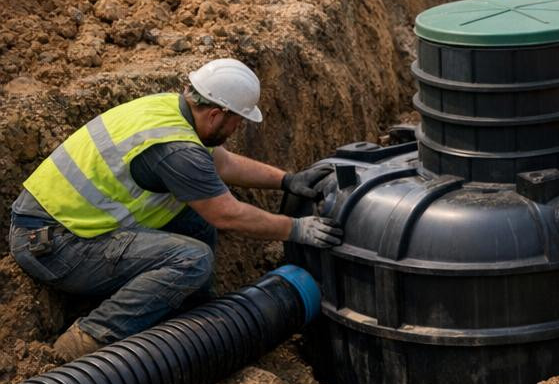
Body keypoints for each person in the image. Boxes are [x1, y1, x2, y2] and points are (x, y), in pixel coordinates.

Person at [9, 58, 343, 361]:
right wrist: (295, 229)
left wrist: (287, 180)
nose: (237, 130)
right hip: (53, 246)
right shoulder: (177, 150)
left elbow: (223, 164)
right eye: (237, 121)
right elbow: (226, 214)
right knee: (192, 259)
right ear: (216, 114)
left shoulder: (172, 110)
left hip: (67, 225)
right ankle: (86, 341)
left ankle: (192, 313)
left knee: (192, 217)